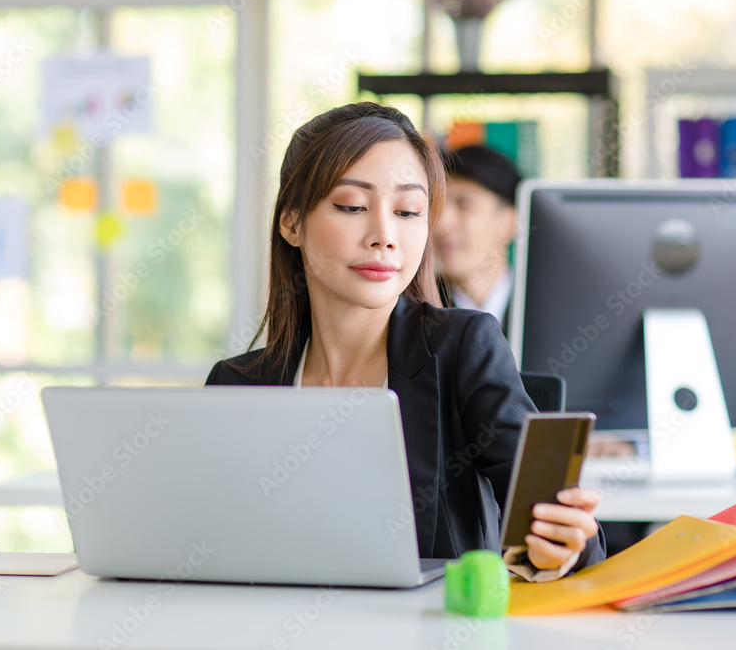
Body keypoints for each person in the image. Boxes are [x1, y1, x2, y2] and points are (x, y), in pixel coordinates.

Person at [206, 102, 604, 581]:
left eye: (409, 211)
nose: (384, 236)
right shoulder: (238, 384)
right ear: (291, 222)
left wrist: (559, 547)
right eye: (352, 206)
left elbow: (551, 530)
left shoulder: (463, 348)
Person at [435, 144, 520, 336]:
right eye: (436, 206)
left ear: (509, 222)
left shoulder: (551, 307)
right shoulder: (414, 313)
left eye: (465, 204)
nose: (441, 223)